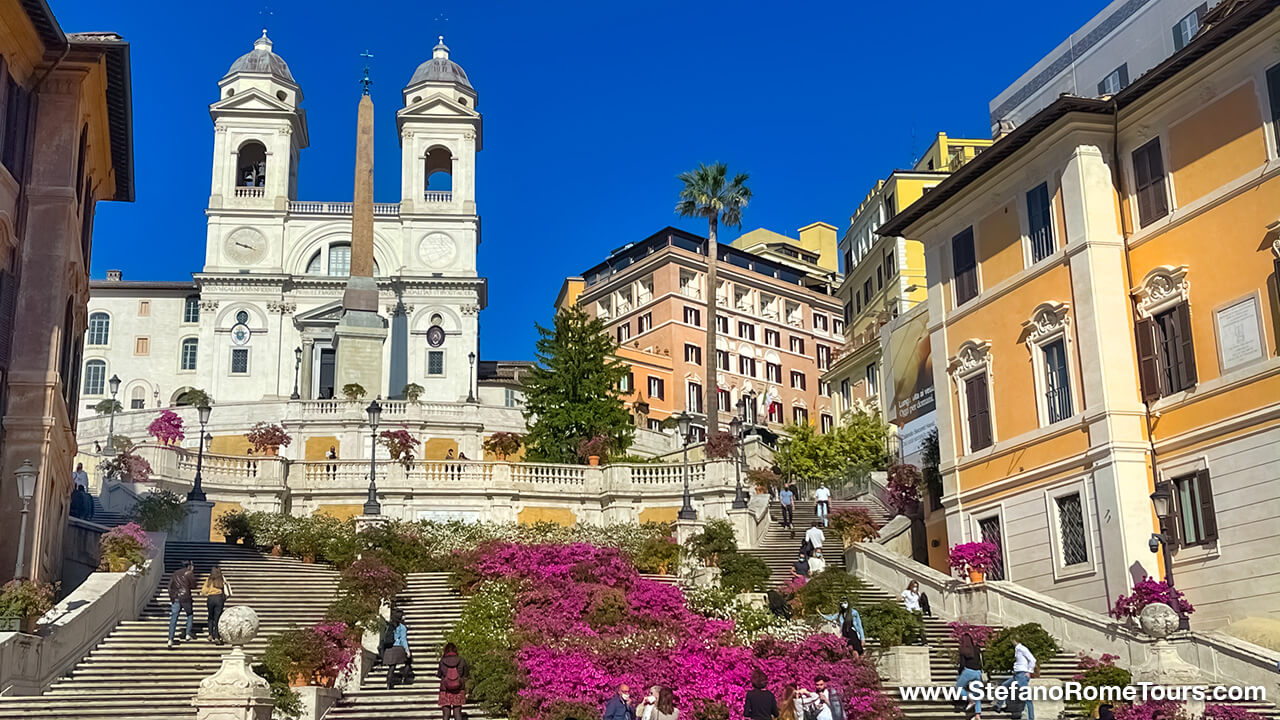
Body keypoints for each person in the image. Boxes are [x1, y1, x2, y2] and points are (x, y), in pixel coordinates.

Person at [994, 640, 1036, 719]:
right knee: (1004, 685)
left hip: (1022, 675)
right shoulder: (1017, 649)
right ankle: (999, 705)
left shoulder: (1022, 648)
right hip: (1016, 674)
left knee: (1026, 698)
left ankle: (1031, 718)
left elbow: (1033, 660)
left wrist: (1029, 671)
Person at [167, 561, 196, 648]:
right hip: (185, 596)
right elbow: (194, 585)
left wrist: (172, 596)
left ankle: (170, 638)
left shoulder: (175, 573)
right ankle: (188, 633)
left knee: (174, 617)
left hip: (176, 597)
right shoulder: (189, 573)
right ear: (189, 566)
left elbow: (169, 586)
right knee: (189, 614)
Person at [437, 642, 469, 720]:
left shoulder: (442, 661)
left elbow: (439, 674)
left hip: (445, 690)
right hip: (458, 689)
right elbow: (466, 673)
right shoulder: (461, 660)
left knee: (445, 715)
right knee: (457, 714)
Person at [200, 566, 232, 645]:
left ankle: (210, 634)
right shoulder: (221, 578)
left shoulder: (209, 579)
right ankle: (217, 636)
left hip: (210, 598)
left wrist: (202, 593)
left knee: (210, 617)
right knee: (217, 618)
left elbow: (204, 590)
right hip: (219, 598)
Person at [955, 632, 983, 718]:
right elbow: (981, 661)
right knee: (977, 692)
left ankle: (970, 700)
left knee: (958, 687)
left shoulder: (963, 649)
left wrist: (960, 674)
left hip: (968, 671)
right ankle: (978, 714)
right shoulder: (977, 649)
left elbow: (962, 664)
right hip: (978, 672)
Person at [384, 609, 413, 689]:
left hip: (389, 648)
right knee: (408, 661)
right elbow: (403, 639)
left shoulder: (390, 625)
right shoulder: (402, 627)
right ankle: (404, 678)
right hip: (398, 647)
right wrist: (407, 650)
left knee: (392, 666)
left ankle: (388, 683)